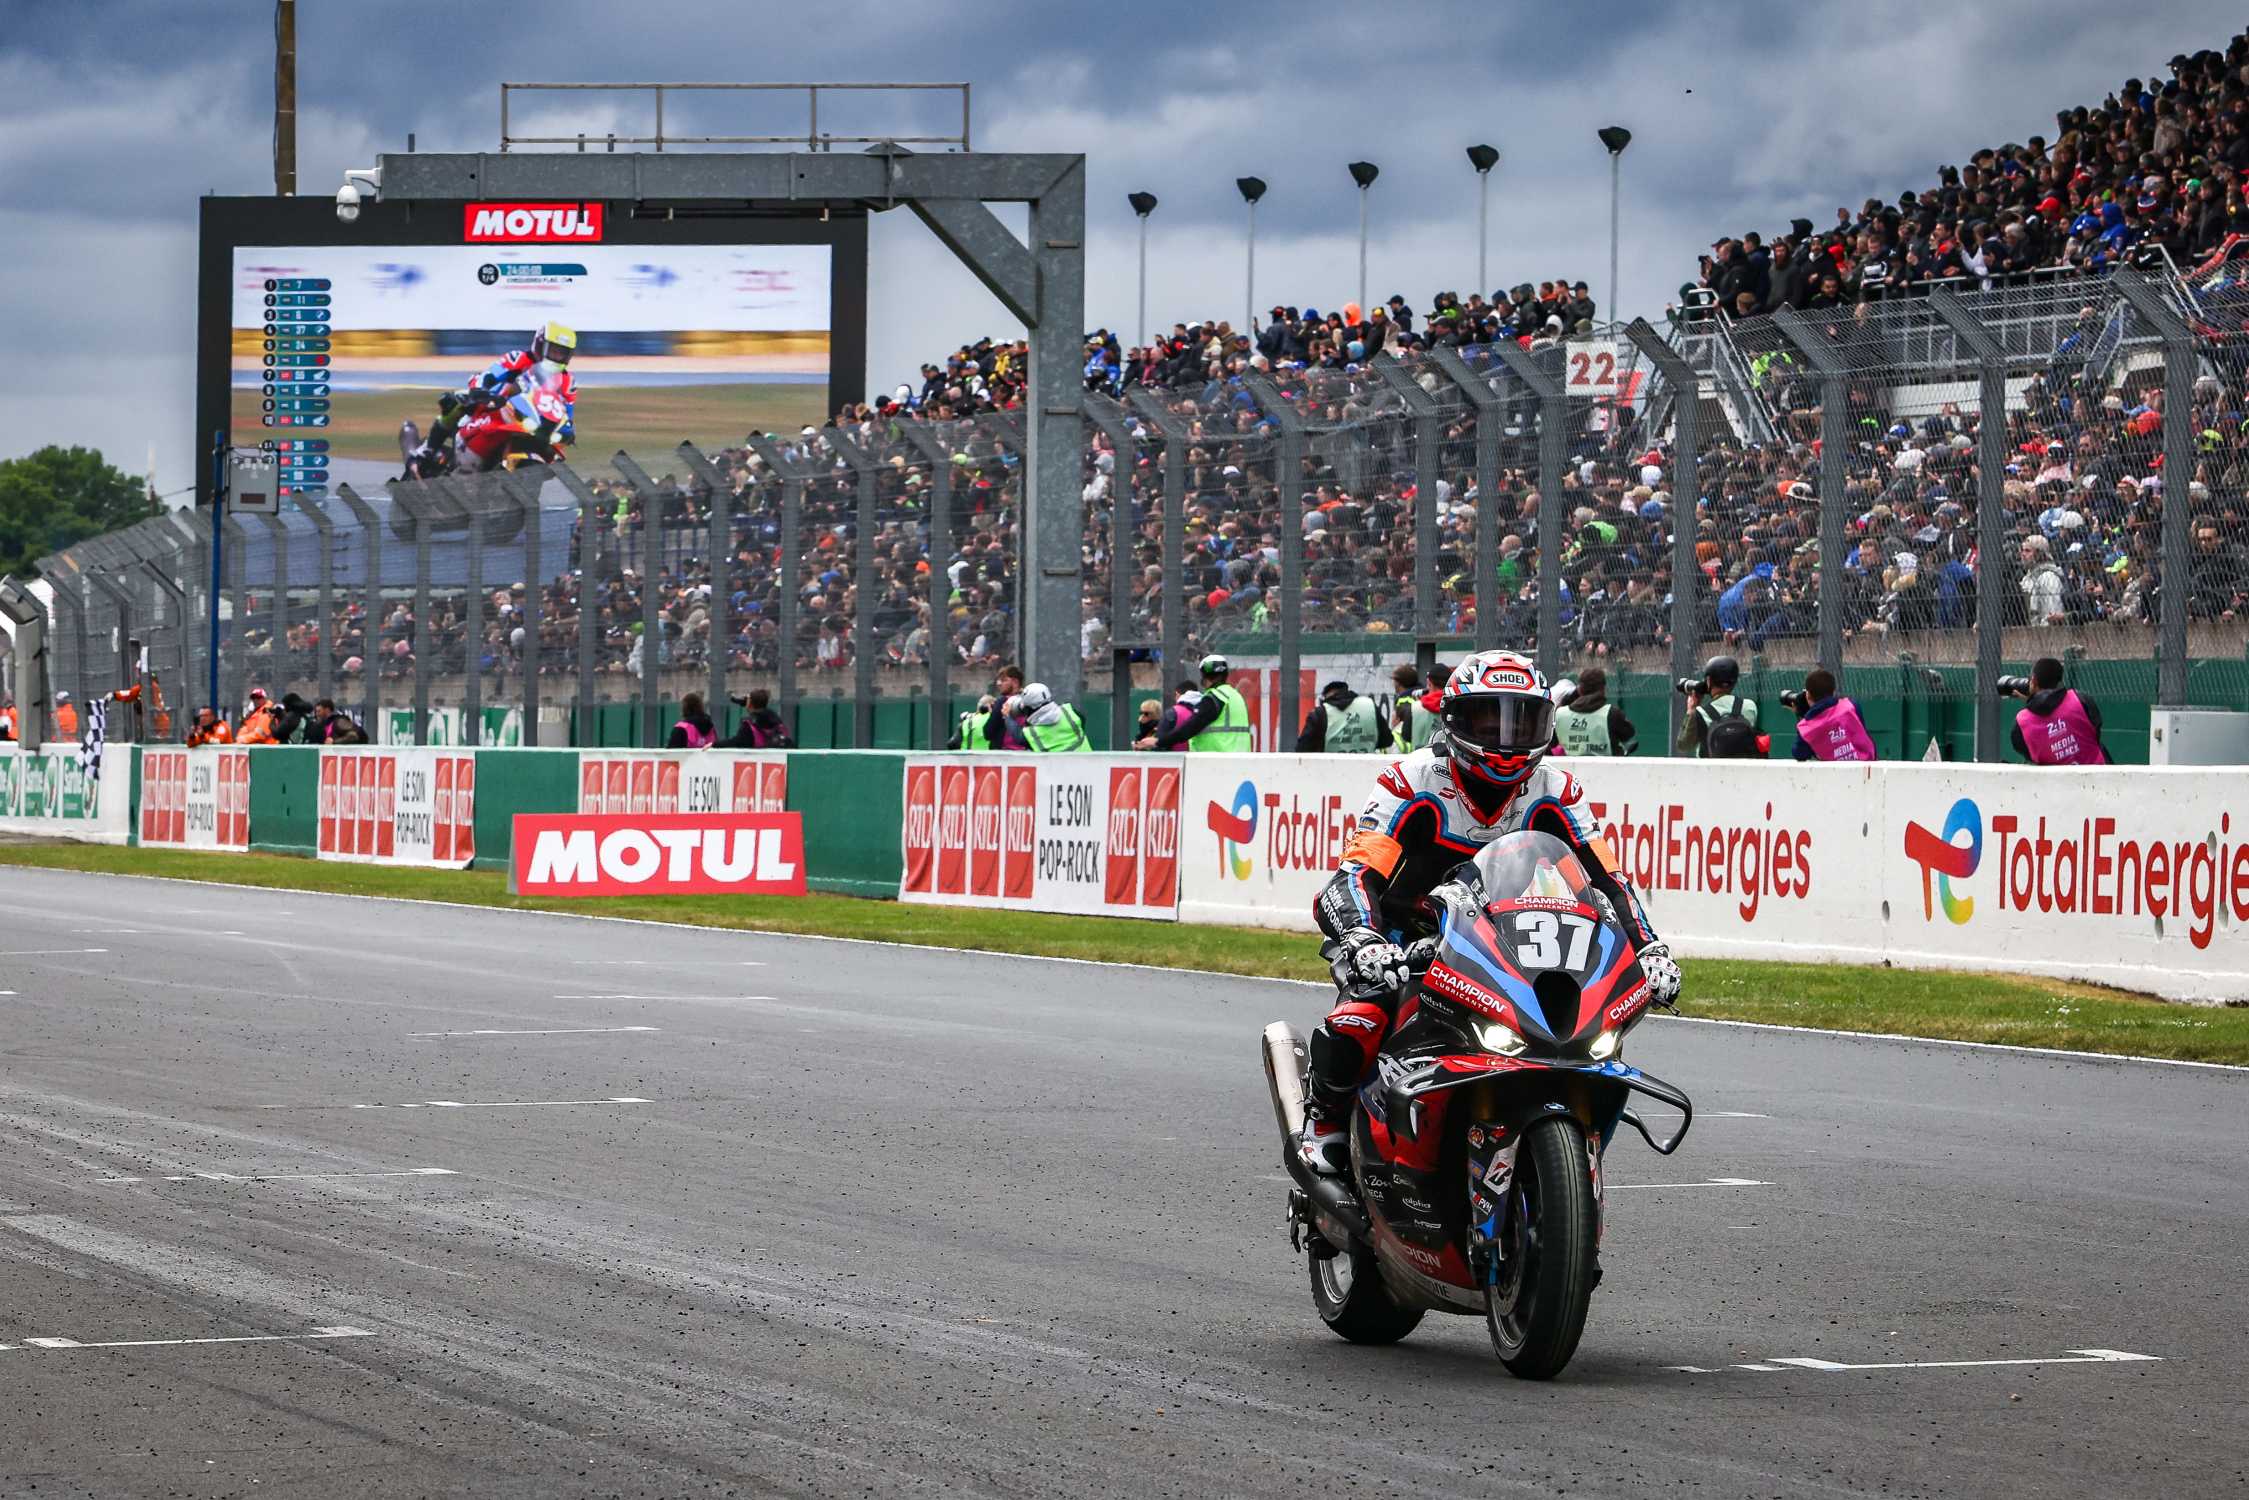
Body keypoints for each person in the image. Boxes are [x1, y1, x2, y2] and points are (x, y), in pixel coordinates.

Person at [1296, 650, 1681, 1173]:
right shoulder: (1410, 780)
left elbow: (1609, 881)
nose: (1506, 739)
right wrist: (1364, 938)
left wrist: (1649, 948)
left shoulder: (1557, 790)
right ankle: (1324, 1123)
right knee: (1364, 1014)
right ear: (1455, 720)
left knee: (1581, 1024)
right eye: (1488, 719)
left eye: (1522, 721)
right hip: (1406, 938)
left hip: (1504, 939)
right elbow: (1355, 873)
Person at [411, 322, 579, 465]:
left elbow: (566, 412)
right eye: (554, 350)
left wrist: (568, 430)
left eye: (562, 353)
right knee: (454, 402)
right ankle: (428, 449)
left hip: (533, 423)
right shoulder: (518, 358)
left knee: (555, 455)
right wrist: (481, 390)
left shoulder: (568, 381)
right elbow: (490, 375)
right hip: (499, 406)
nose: (557, 356)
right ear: (541, 346)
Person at [2009, 656, 2109, 765]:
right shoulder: (2080, 699)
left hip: (2057, 777)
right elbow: (2096, 729)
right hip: (2101, 772)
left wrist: (2032, 704)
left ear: (2033, 681)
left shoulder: (2022, 723)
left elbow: (2026, 752)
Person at [1139, 654, 1250, 751]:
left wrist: (1158, 741)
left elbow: (1190, 727)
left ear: (1203, 677)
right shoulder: (1235, 696)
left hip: (1217, 760)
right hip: (1240, 761)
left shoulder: (1214, 698)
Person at [1674, 654, 1764, 759]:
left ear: (1708, 681)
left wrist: (1691, 709)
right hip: (1743, 766)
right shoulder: (1750, 706)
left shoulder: (1701, 713)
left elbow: (1684, 745)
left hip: (1711, 768)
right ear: (1734, 681)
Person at [1790, 668, 1877, 762]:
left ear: (1808, 695)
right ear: (1833, 690)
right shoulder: (1851, 706)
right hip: (1867, 766)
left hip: (1834, 771)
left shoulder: (1807, 729)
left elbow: (1799, 753)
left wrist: (1806, 717)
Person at [1549, 666, 1637, 755]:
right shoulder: (1612, 714)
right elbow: (1628, 734)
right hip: (1608, 763)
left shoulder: (1559, 714)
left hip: (1570, 763)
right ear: (1603, 689)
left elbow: (1552, 742)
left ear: (1580, 689)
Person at [1296, 679, 1391, 753]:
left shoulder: (1320, 713)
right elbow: (1387, 740)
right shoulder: (1369, 706)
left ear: (1326, 697)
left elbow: (1302, 749)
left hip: (1331, 770)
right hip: (1367, 769)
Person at [1014, 682, 1089, 752]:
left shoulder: (1033, 733)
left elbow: (1018, 737)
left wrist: (1008, 714)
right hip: (1089, 760)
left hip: (1058, 762)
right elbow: (1082, 720)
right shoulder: (1069, 712)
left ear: (1031, 708)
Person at [724, 688, 793, 749]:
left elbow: (737, 742)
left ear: (750, 704)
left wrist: (718, 744)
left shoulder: (749, 725)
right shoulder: (775, 719)